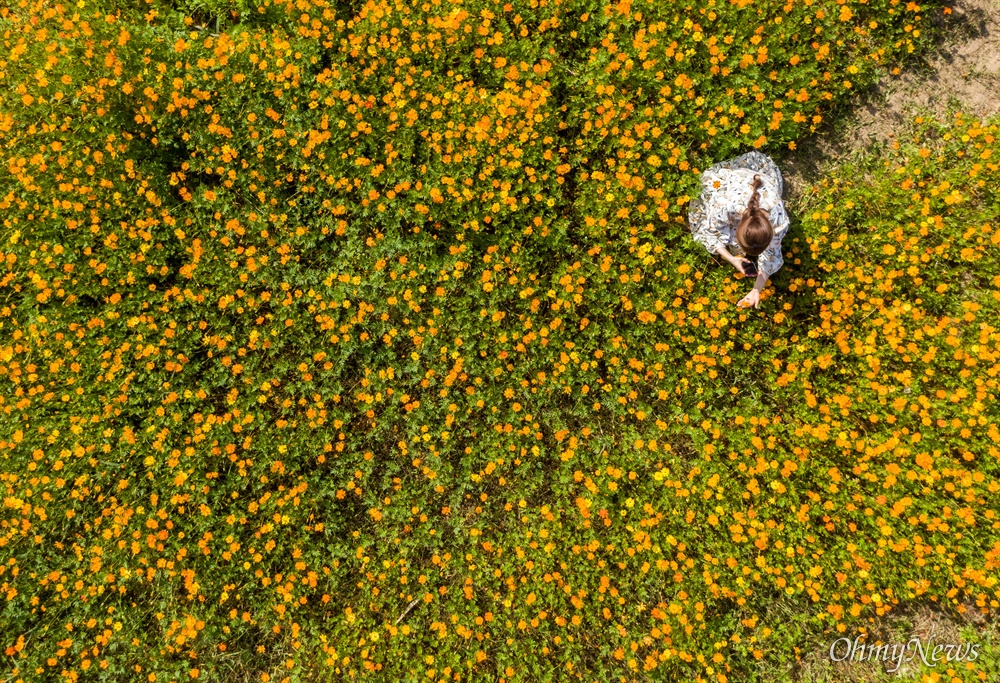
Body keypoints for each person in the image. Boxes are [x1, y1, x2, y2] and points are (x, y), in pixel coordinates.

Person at [687, 150, 790, 309]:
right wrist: (731, 258)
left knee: (734, 247)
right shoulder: (729, 205)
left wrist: (756, 290)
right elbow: (711, 229)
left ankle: (737, 249)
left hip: (762, 188)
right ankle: (736, 249)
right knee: (711, 229)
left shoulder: (779, 222)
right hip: (735, 185)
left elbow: (771, 255)